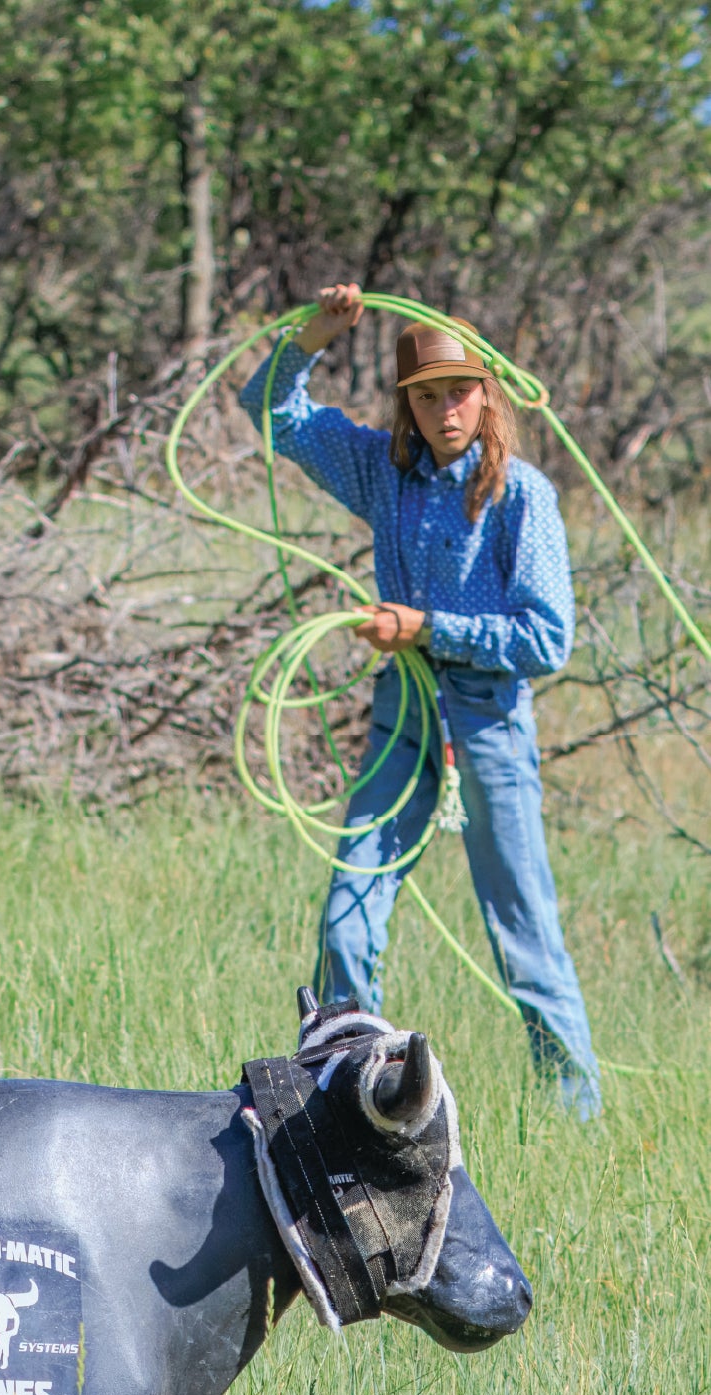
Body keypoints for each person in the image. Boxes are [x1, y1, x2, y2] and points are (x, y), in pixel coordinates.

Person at [239, 284, 601, 1120]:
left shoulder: (524, 497)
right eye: (428, 396)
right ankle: (346, 1096)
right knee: (346, 914)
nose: (446, 411)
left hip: (489, 725)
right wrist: (314, 337)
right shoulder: (382, 474)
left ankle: (575, 1111)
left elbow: (546, 640)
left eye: (460, 392)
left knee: (524, 933)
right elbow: (272, 413)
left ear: (488, 395)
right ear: (408, 404)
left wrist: (426, 626)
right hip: (403, 717)